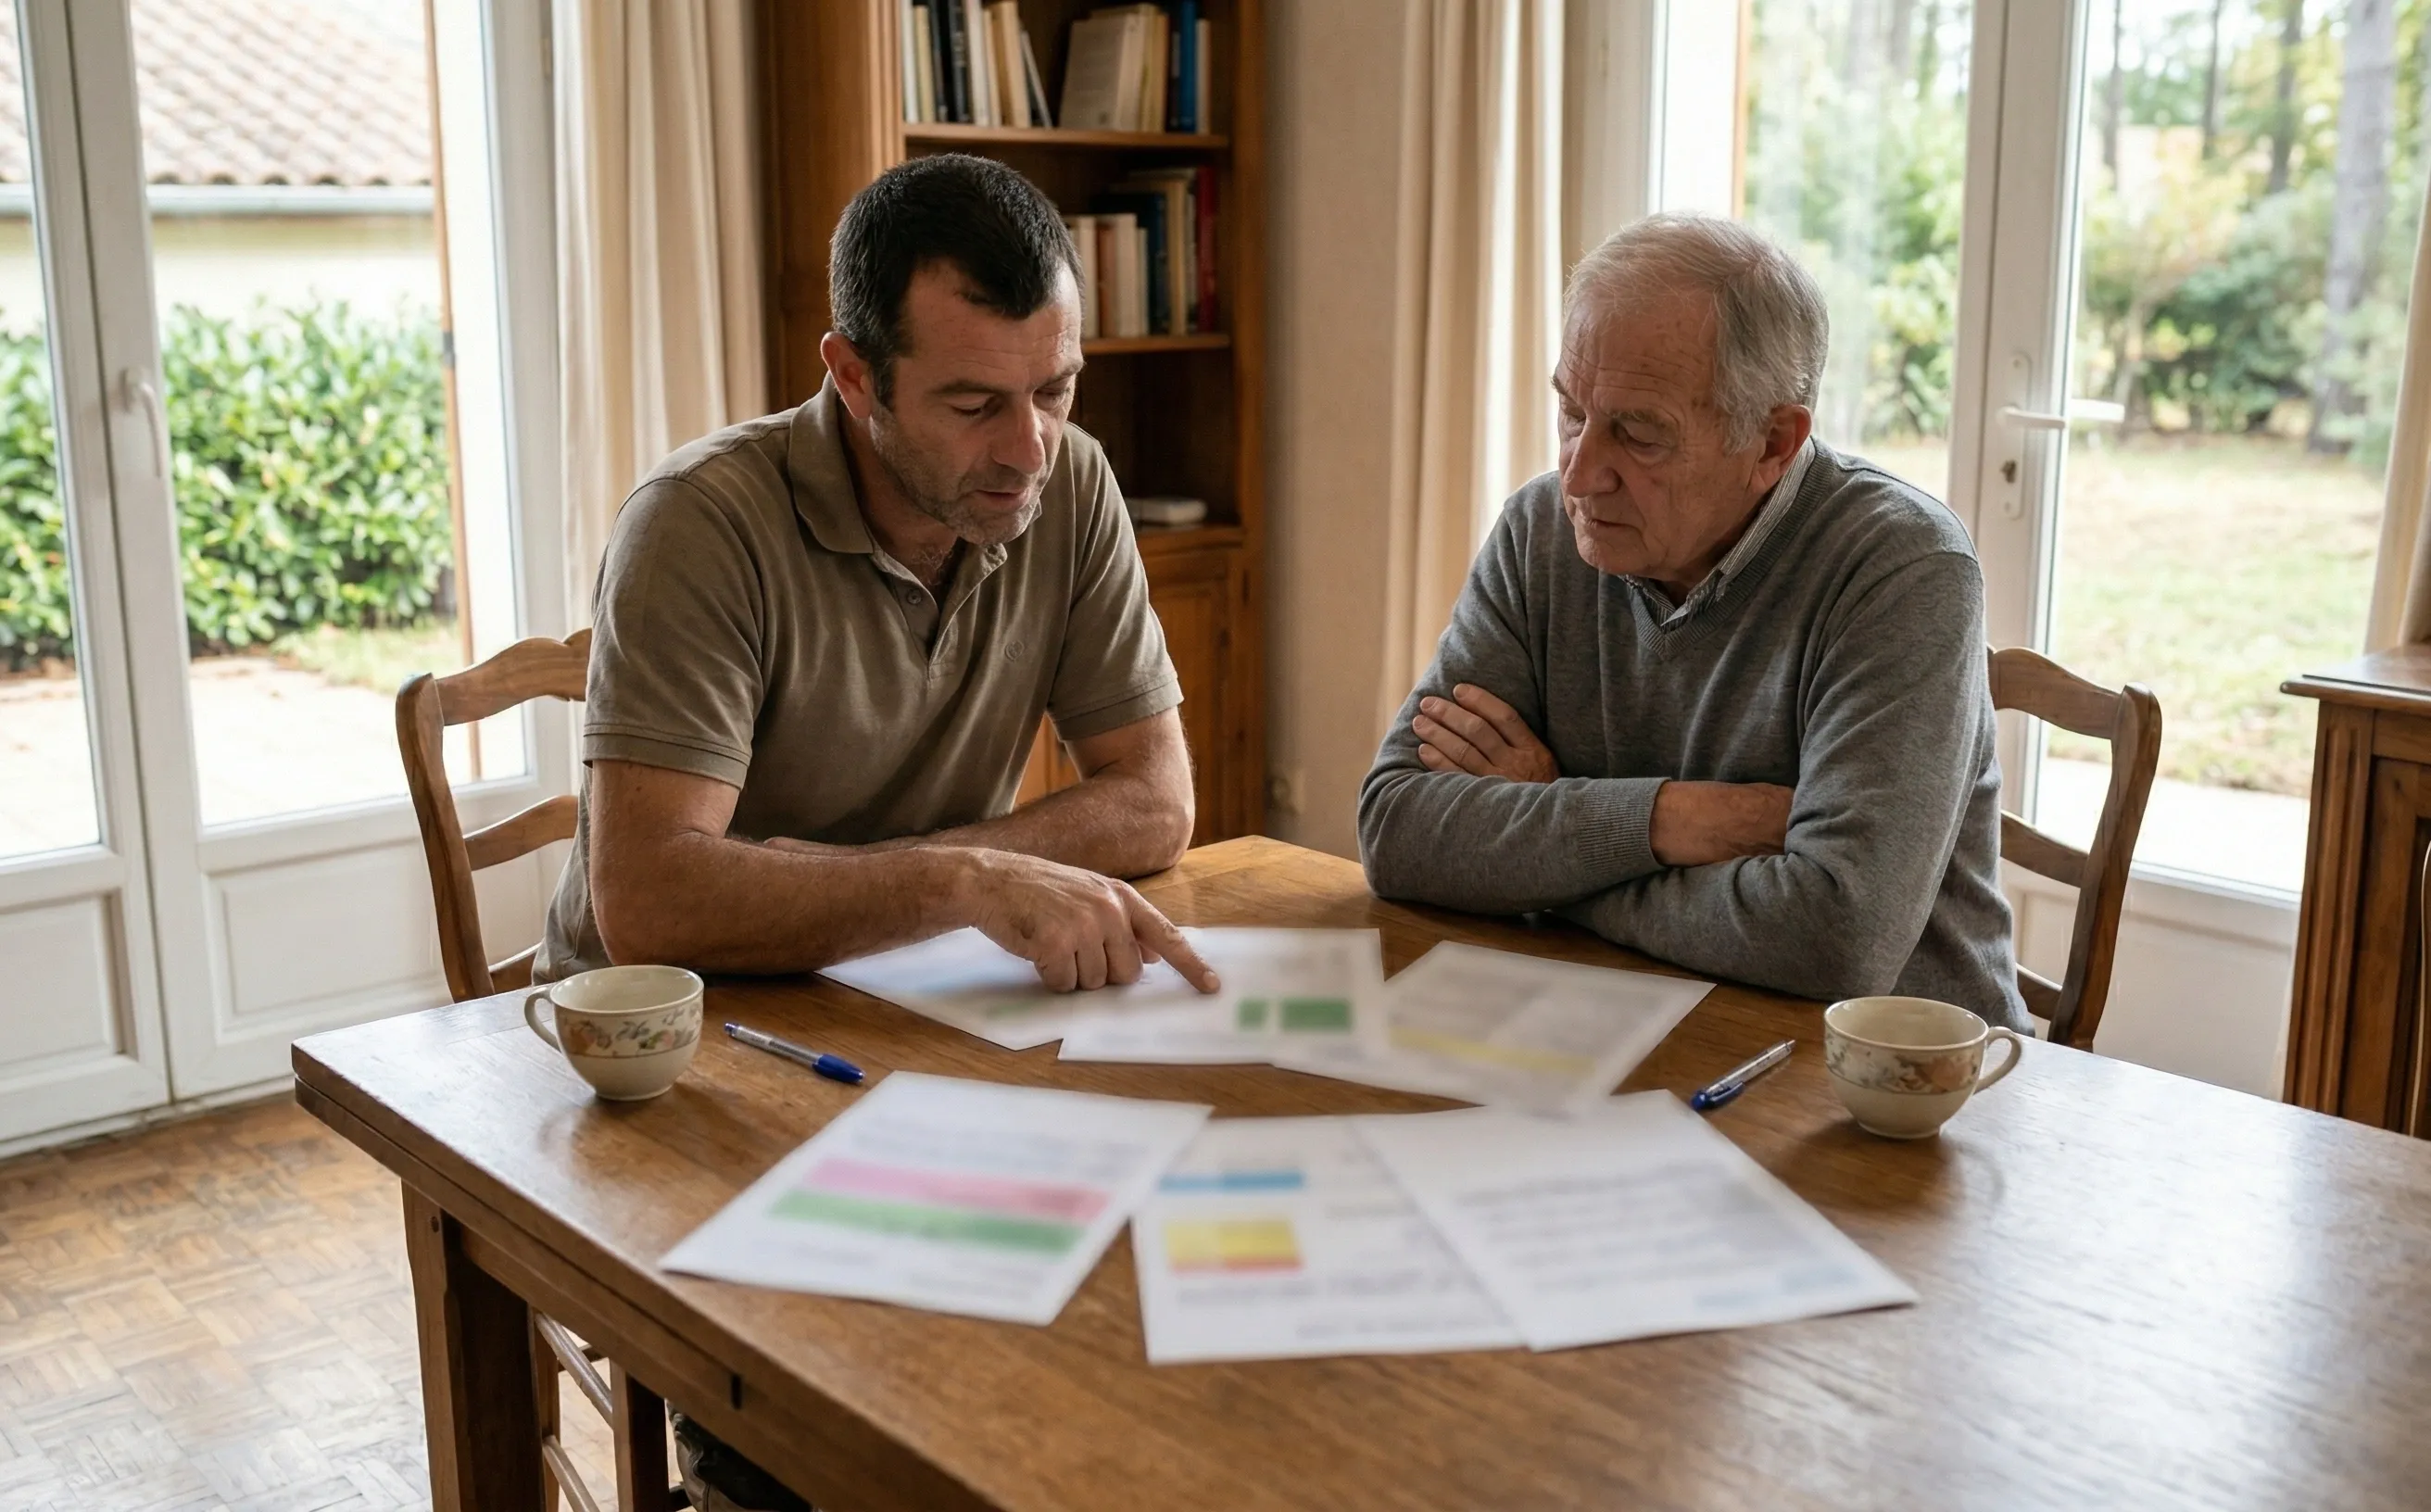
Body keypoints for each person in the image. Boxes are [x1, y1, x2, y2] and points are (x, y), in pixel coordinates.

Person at [535, 152, 1220, 1002]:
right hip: (674, 1021)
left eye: (1054, 389)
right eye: (973, 406)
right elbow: (649, 903)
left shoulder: (1072, 479)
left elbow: (1156, 803)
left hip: (917, 977)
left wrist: (926, 878)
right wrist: (960, 882)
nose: (1027, 449)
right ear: (855, 377)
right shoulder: (695, 521)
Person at [1358, 212, 2026, 1029]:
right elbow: (1397, 830)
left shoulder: (1901, 568)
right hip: (1629, 1023)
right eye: (1571, 412)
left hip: (1902, 1091)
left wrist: (1551, 841)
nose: (1578, 474)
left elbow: (1834, 937)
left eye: (1637, 434)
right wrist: (1675, 819)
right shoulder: (1540, 531)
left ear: (1774, 441)